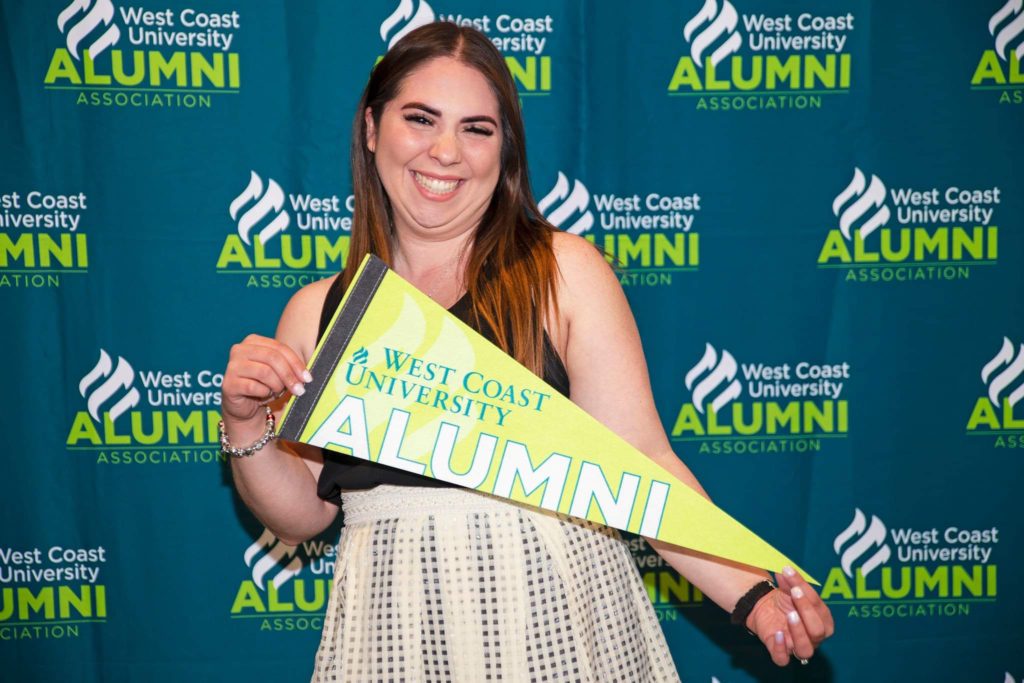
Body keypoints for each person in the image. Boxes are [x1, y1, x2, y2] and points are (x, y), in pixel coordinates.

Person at [220, 22, 833, 682]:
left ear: (504, 150)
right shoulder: (318, 312)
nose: (446, 150)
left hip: (557, 620)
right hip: (390, 628)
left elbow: (643, 468)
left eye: (477, 128)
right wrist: (246, 421)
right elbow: (305, 511)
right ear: (371, 128)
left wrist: (754, 595)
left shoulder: (562, 272)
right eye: (420, 119)